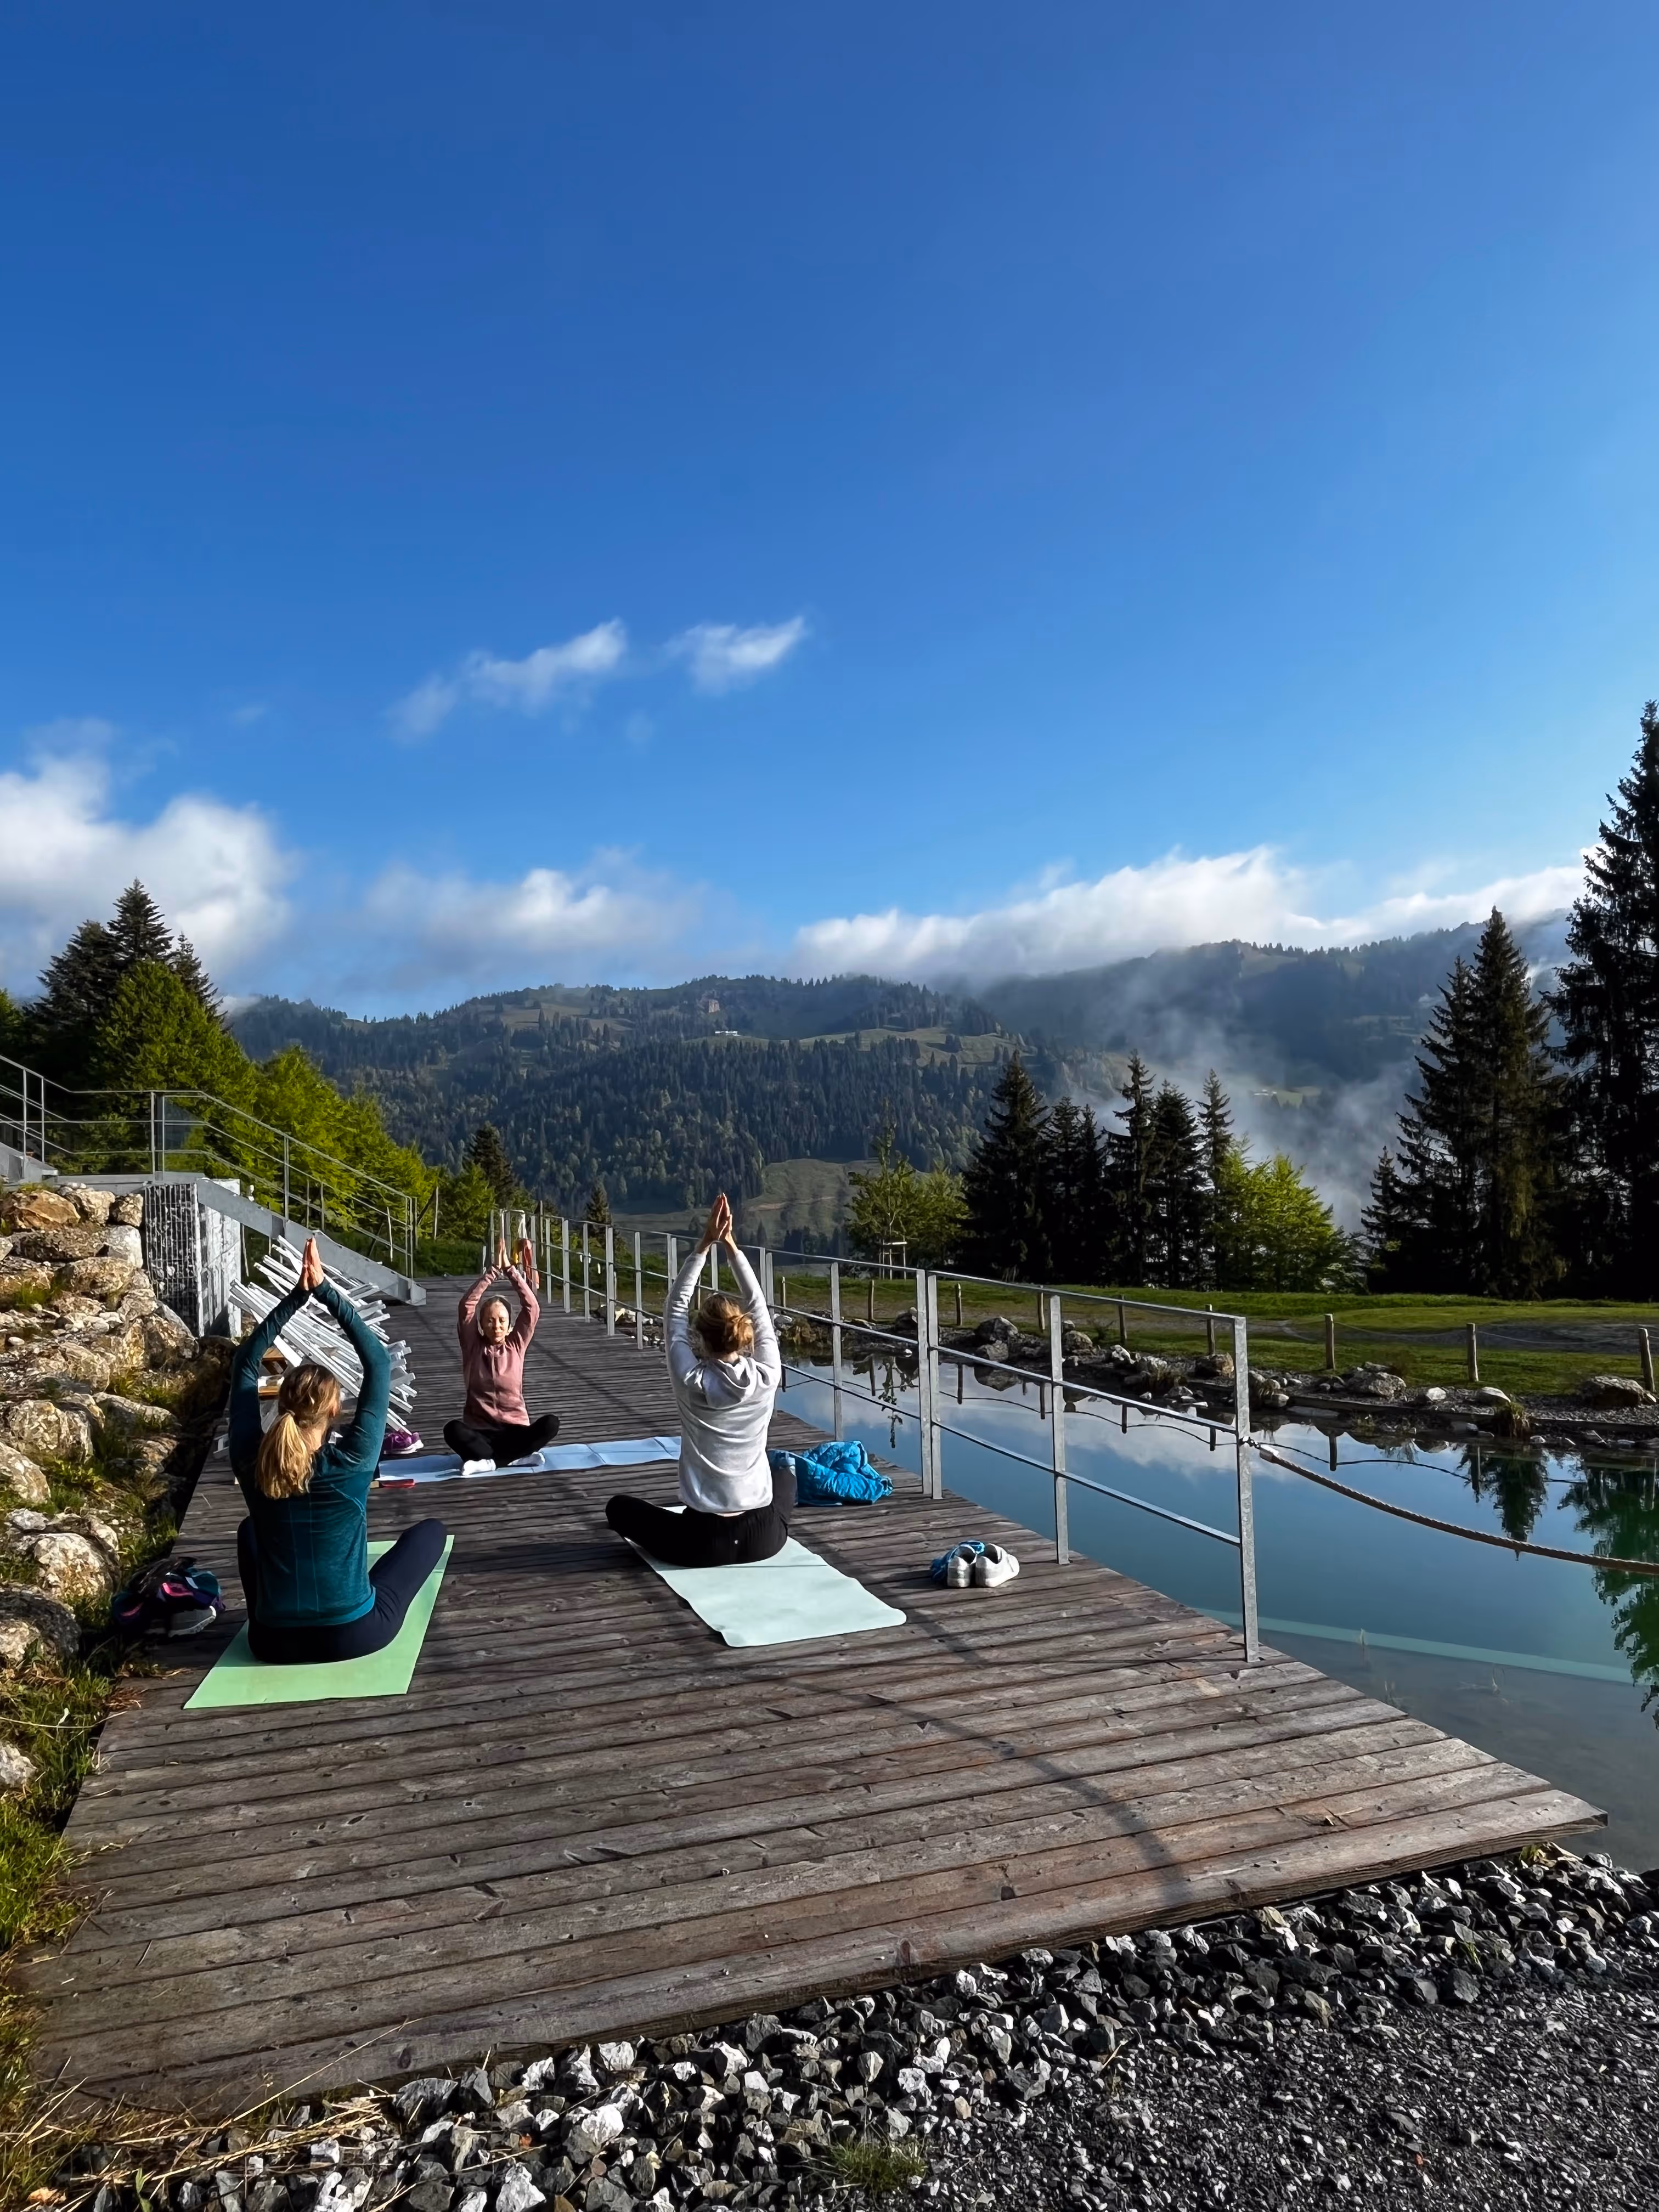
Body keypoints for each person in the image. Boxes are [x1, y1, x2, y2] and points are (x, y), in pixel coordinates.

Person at [229, 1235, 445, 1663]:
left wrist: (296, 1298)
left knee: (249, 1531)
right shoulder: (353, 1460)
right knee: (430, 1533)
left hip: (270, 1643)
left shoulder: (252, 1461)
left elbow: (245, 1365)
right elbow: (379, 1364)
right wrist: (324, 1289)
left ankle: (274, 1614)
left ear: (282, 1403)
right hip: (354, 1635)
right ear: (335, 1409)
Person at [606, 1192, 792, 1566]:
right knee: (786, 1475)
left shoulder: (691, 1379)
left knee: (619, 1508)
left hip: (700, 1542)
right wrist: (731, 1247)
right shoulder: (768, 1375)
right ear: (745, 1335)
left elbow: (674, 1309)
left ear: (701, 1340)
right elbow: (759, 1306)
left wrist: (705, 1243)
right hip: (764, 1538)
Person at [443, 1234, 561, 1468]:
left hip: (516, 1430)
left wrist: (510, 1270)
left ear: (509, 1326)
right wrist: (493, 1271)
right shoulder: (472, 1345)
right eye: (490, 1320)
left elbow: (532, 1308)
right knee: (452, 1430)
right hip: (481, 1433)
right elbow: (467, 1306)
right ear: (482, 1324)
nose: (495, 1326)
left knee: (551, 1424)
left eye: (501, 1321)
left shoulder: (516, 1344)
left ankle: (490, 1462)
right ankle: (513, 1458)